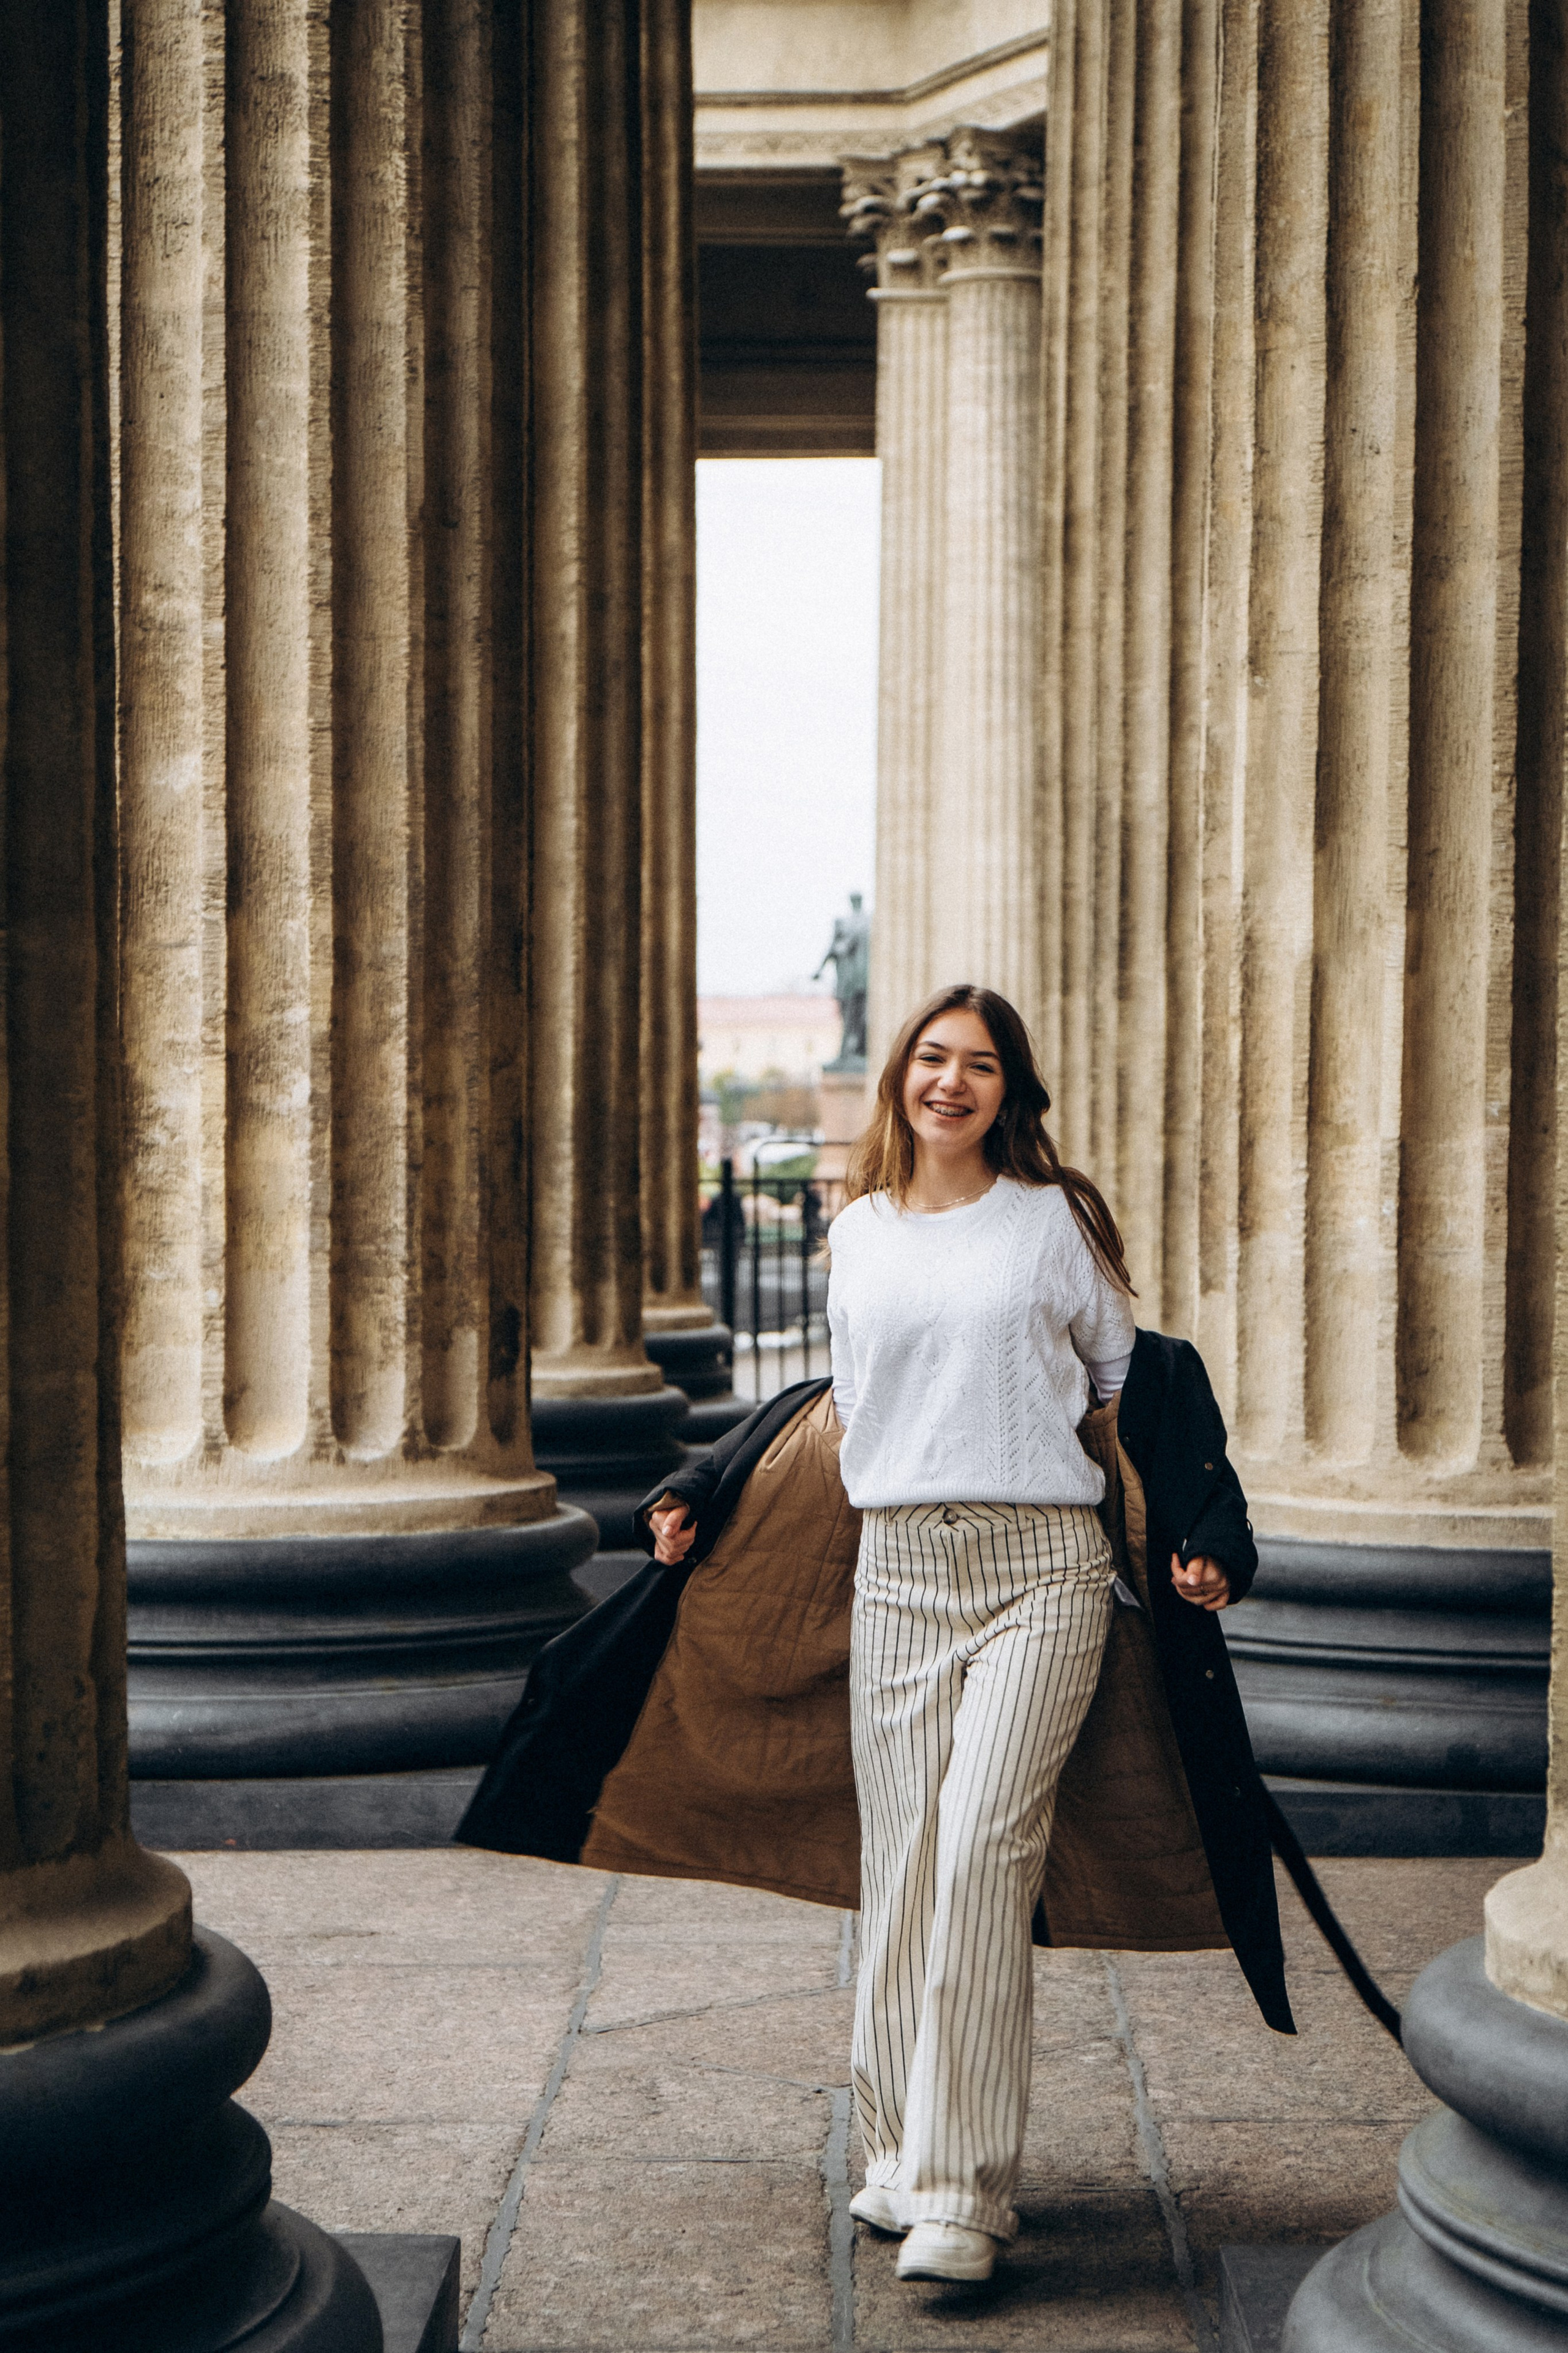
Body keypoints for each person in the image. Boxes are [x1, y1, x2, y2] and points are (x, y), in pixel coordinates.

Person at [655, 982, 1231, 2286]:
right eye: (930, 1057)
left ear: (1008, 1089)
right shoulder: (856, 1231)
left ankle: (965, 2192)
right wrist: (707, 1486)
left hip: (1042, 1569)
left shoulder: (1053, 1219)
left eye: (978, 1063)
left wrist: (1200, 1527)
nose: (949, 1081)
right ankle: (896, 2150)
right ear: (899, 1077)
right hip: (898, 1571)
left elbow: (1129, 1385)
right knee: (906, 1862)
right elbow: (844, 1409)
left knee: (980, 1850)